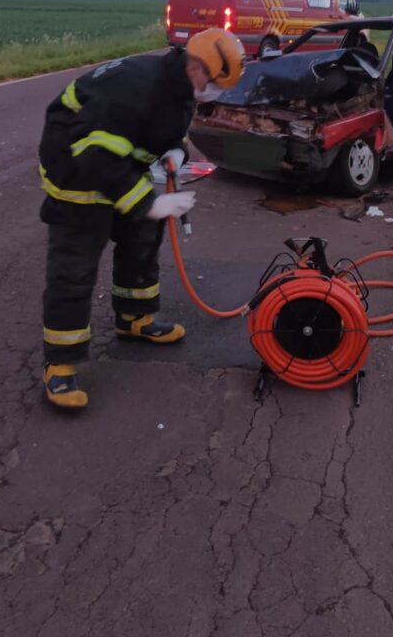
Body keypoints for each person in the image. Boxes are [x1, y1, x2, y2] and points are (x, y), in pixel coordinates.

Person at [38, 27, 245, 410]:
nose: (219, 93)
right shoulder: (136, 87)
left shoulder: (179, 85)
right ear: (198, 68)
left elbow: (165, 128)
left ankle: (134, 318)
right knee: (75, 263)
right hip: (75, 168)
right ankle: (60, 365)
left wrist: (174, 153)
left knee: (142, 236)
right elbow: (95, 157)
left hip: (113, 165)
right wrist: (148, 204)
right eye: (218, 84)